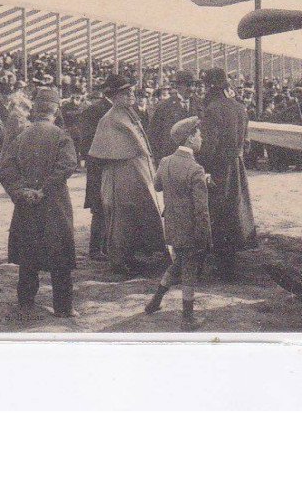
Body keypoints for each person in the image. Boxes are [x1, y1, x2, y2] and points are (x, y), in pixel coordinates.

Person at [0, 87, 79, 318]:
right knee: (60, 255)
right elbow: (66, 166)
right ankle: (63, 307)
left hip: (26, 205)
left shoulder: (21, 136)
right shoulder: (61, 135)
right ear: (55, 110)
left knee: (28, 255)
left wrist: (21, 191)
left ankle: (25, 303)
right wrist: (44, 190)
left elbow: (6, 171)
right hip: (54, 204)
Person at [87, 73, 165, 275]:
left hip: (137, 173)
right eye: (126, 92)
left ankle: (133, 255)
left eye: (131, 91)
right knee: (122, 217)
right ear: (115, 96)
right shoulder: (110, 119)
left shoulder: (129, 114)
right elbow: (106, 152)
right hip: (121, 175)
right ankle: (119, 260)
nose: (131, 95)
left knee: (139, 213)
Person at [144, 117, 212, 331]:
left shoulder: (165, 162)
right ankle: (187, 318)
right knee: (189, 269)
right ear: (190, 138)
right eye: (198, 135)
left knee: (178, 263)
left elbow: (157, 186)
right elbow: (201, 210)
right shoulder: (196, 170)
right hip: (191, 228)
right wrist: (205, 235)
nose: (201, 138)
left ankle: (154, 302)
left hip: (172, 225)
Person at [197, 68, 256, 280]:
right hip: (236, 165)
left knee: (216, 213)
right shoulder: (241, 109)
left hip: (218, 166)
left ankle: (218, 265)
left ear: (210, 87)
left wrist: (201, 166)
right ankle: (229, 263)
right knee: (233, 211)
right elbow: (246, 144)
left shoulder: (213, 110)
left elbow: (209, 146)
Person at [77, 82, 112, 261]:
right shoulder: (95, 110)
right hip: (99, 165)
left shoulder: (116, 109)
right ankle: (96, 248)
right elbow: (87, 142)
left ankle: (106, 246)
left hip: (109, 165)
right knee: (100, 207)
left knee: (109, 206)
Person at [147, 70, 200, 163]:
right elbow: (154, 135)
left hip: (195, 160)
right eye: (188, 85)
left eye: (194, 85)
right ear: (178, 86)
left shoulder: (200, 105)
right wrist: (159, 159)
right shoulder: (164, 107)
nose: (192, 88)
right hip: (172, 159)